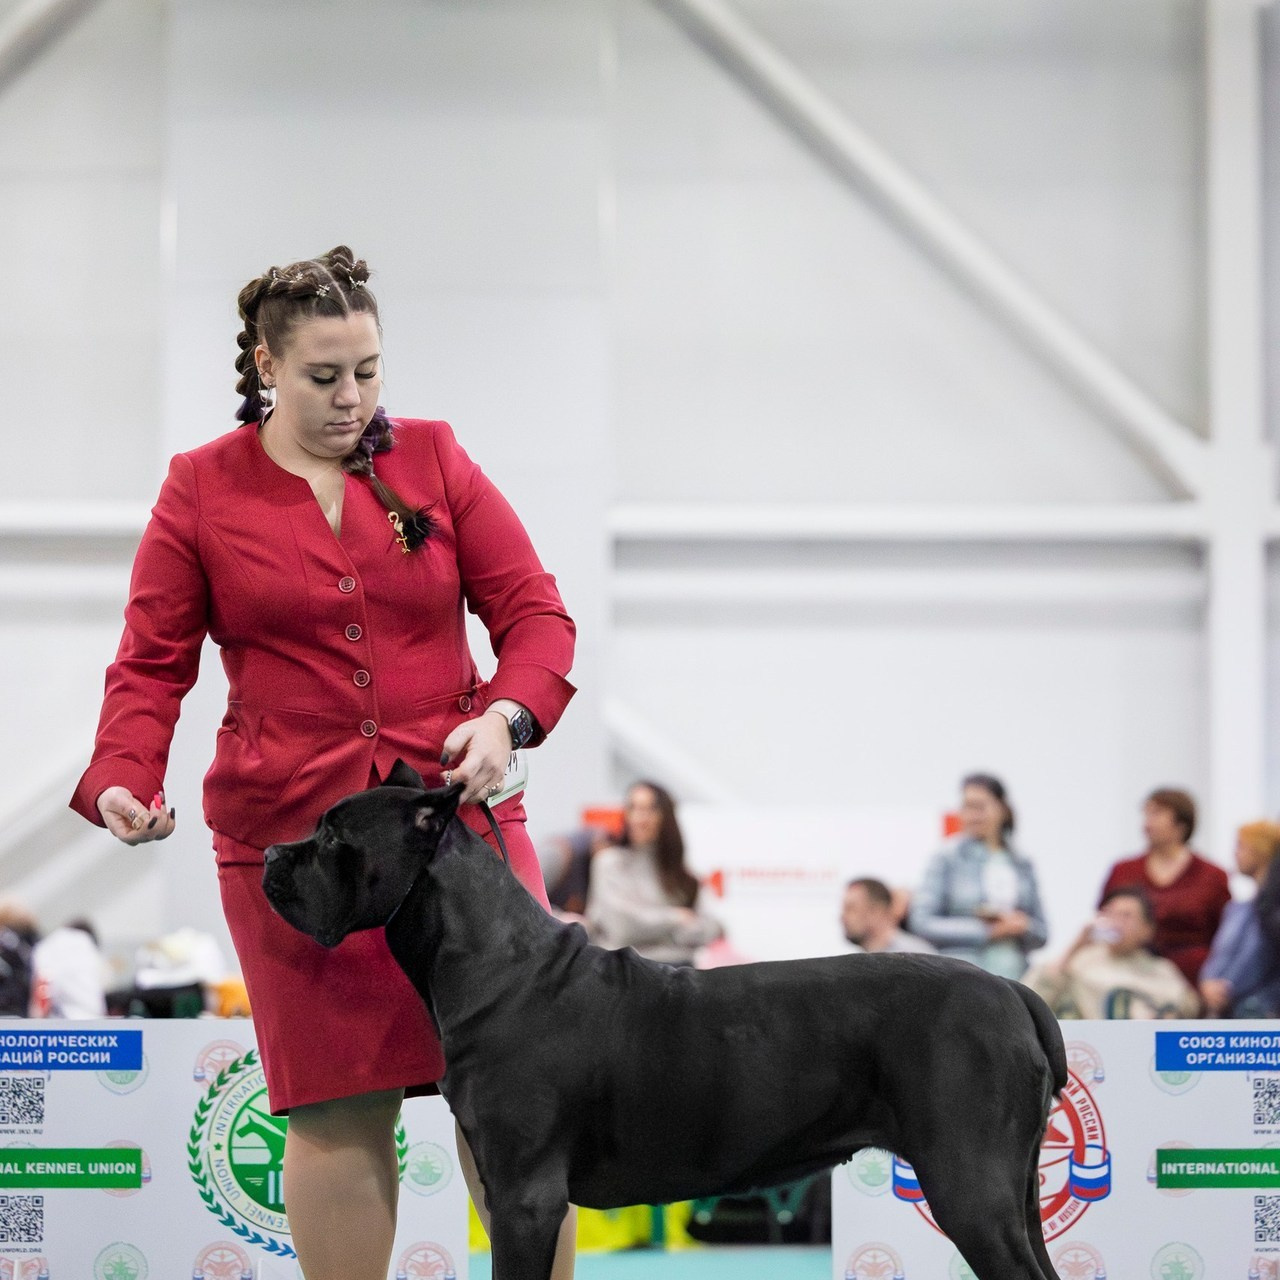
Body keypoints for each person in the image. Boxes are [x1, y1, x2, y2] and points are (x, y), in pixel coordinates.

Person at [67, 248, 577, 1280]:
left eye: (369, 371)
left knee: (514, 1103)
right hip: (300, 850)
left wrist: (506, 716)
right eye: (324, 376)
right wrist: (124, 774)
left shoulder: (435, 456)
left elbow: (535, 614)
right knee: (338, 1109)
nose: (353, 398)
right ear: (266, 365)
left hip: (454, 834)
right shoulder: (199, 487)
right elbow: (150, 663)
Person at [909, 773, 1048, 978]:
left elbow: (1043, 933)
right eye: (967, 807)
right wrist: (987, 931)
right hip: (963, 976)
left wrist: (1022, 926)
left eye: (980, 807)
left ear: (1002, 809)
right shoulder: (946, 857)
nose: (973, 816)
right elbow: (922, 922)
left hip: (1016, 976)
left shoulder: (1021, 862)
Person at [1098, 788, 1229, 987]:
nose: (1147, 823)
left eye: (1157, 813)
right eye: (1146, 814)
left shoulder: (1212, 876)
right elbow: (1103, 920)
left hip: (1193, 979)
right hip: (1128, 973)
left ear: (1181, 824)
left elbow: (1224, 937)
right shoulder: (1123, 870)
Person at [585, 781, 722, 965]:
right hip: (627, 970)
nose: (639, 818)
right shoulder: (610, 863)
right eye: (633, 808)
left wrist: (649, 926)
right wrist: (676, 919)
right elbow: (622, 928)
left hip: (677, 968)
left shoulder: (681, 874)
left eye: (649, 809)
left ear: (665, 817)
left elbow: (712, 927)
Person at [1023, 887, 1198, 1019]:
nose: (1116, 921)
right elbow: (1031, 999)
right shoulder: (1079, 961)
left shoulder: (1161, 969)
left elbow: (1188, 1006)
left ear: (1147, 929)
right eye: (1110, 913)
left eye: (1126, 915)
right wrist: (1076, 946)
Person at [1199, 821, 1280, 1018]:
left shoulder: (1270, 911)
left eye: (1241, 846)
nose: (1236, 853)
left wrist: (1226, 988)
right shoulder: (1237, 909)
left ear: (1261, 850)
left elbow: (1257, 957)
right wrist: (1207, 983)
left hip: (1259, 1007)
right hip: (1224, 1004)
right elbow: (1220, 953)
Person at [30, 918, 106, 1018]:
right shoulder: (88, 948)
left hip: (62, 1018)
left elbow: (44, 981)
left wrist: (38, 1017)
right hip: (92, 1017)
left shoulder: (50, 946)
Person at [841, 878, 936, 954]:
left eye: (851, 908)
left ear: (876, 912)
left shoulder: (916, 955)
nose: (842, 916)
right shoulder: (862, 963)